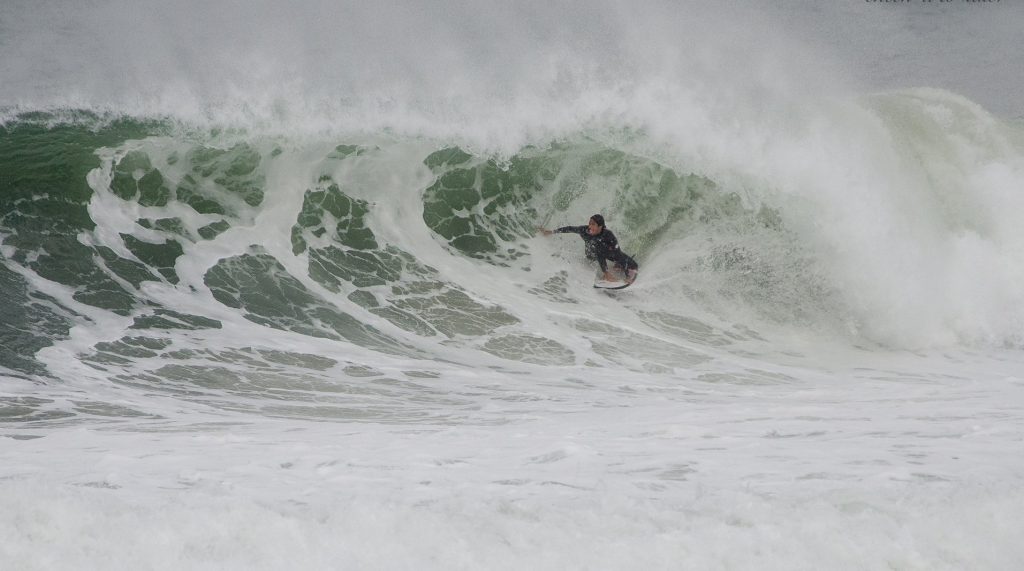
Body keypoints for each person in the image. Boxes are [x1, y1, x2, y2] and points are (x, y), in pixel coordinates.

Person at [539, 214, 639, 284]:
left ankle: (617, 267)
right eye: (590, 223)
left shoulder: (608, 235)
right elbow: (569, 228)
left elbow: (617, 253)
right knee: (598, 246)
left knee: (633, 264)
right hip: (590, 254)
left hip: (608, 253)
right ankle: (606, 274)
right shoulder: (584, 230)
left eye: (593, 225)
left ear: (601, 227)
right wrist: (551, 232)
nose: (590, 227)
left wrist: (626, 274)